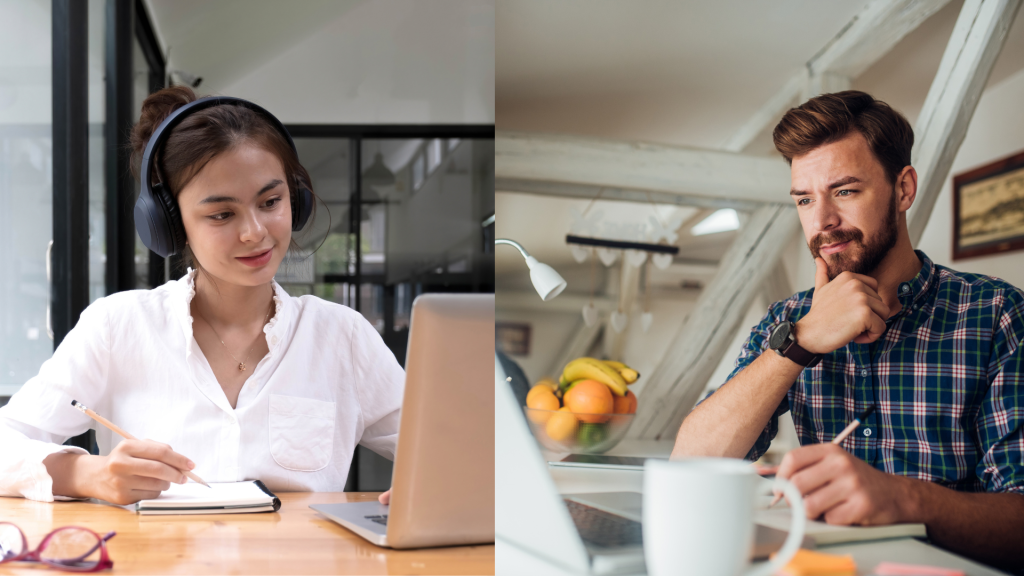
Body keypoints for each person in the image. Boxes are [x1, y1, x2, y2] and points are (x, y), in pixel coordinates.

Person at [671, 91, 1024, 571]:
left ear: (903, 190)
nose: (822, 222)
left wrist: (903, 499)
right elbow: (691, 462)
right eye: (804, 199)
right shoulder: (787, 322)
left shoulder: (996, 313)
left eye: (845, 191)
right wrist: (802, 341)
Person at [0, 86, 403, 506]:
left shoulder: (341, 336)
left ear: (295, 199)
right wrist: (88, 474)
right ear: (170, 224)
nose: (255, 232)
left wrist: (430, 487)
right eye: (222, 214)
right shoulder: (118, 326)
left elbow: (448, 446)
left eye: (271, 201)